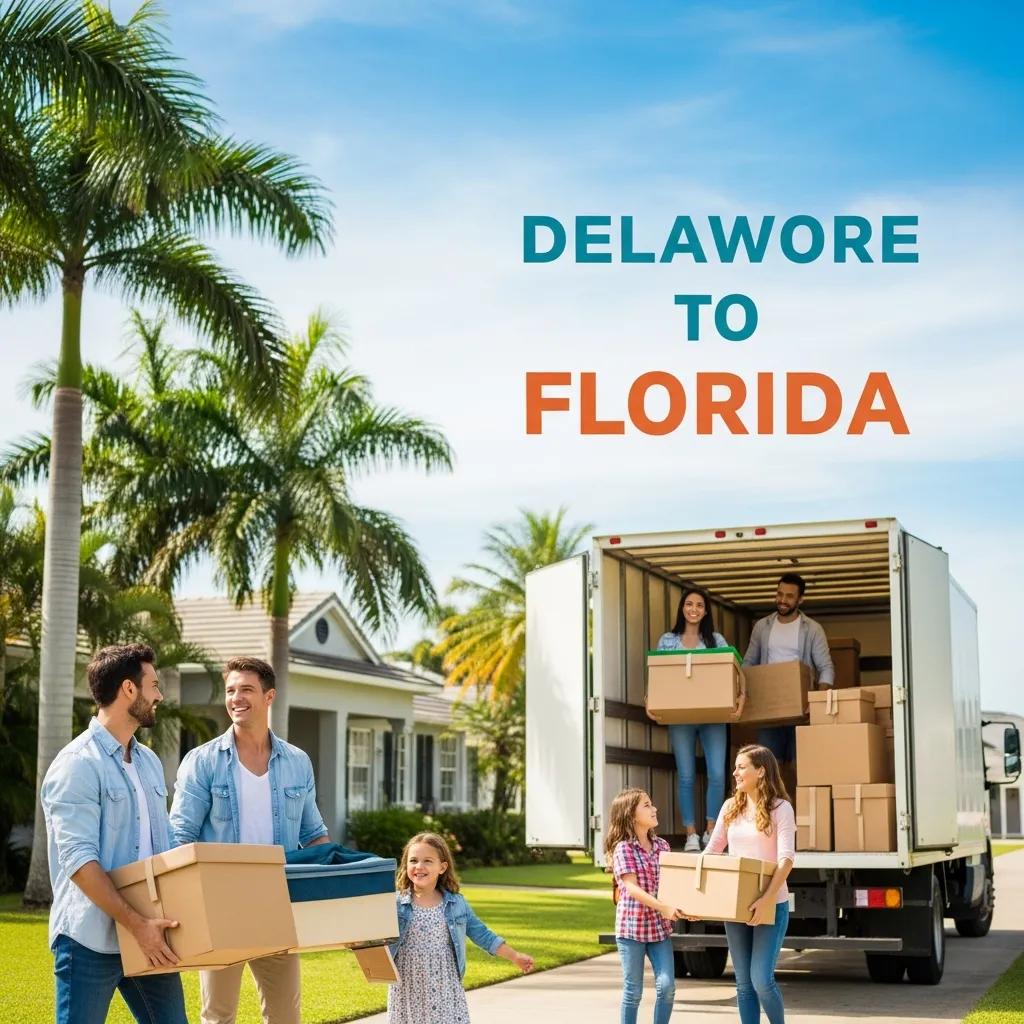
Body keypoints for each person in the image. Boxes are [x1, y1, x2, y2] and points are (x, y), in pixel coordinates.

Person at [170, 655, 330, 1024]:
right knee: (218, 1015)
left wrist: (339, 889)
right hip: (220, 906)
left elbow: (314, 835)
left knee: (285, 1015)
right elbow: (180, 837)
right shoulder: (203, 761)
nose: (236, 698)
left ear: (269, 696)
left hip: (279, 904)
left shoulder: (297, 762)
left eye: (246, 689)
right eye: (230, 690)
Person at [41, 643, 187, 1024]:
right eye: (153, 685)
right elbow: (79, 862)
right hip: (89, 940)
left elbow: (163, 847)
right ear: (128, 689)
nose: (159, 695)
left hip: (150, 935)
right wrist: (136, 925)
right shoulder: (77, 765)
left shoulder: (149, 762)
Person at [387, 831, 534, 1023]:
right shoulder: (396, 904)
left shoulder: (456, 905)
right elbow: (373, 935)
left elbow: (483, 935)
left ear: (442, 867)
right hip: (406, 988)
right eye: (413, 860)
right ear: (406, 865)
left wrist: (514, 956)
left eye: (428, 861)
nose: (419, 866)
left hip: (445, 988)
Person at [703, 745, 795, 1024]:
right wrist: (695, 895)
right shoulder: (731, 807)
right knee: (743, 984)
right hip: (737, 906)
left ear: (761, 771)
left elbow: (786, 859)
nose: (735, 773)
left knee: (760, 980)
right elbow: (712, 851)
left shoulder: (781, 808)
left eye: (741, 767)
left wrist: (765, 900)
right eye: (736, 767)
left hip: (771, 905)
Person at [656, 587, 745, 851]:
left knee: (717, 774)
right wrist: (651, 700)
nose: (693, 610)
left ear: (706, 611)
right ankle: (691, 834)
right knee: (686, 776)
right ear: (682, 608)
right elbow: (658, 676)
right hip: (680, 717)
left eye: (699, 606)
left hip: (712, 716)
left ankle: (710, 831)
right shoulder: (668, 641)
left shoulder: (716, 640)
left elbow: (734, 670)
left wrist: (741, 698)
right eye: (689, 604)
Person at [605, 787, 683, 1024]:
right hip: (631, 930)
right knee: (633, 992)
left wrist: (684, 908)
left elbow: (673, 886)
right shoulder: (624, 848)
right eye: (647, 805)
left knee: (667, 986)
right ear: (631, 815)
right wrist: (663, 908)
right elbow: (631, 887)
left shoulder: (662, 846)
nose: (654, 809)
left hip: (659, 930)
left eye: (652, 804)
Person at [742, 573, 835, 764]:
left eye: (789, 596)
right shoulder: (762, 626)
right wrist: (743, 695)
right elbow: (748, 663)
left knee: (800, 766)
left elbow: (826, 668)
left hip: (800, 711)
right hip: (768, 710)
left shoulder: (812, 629)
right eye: (779, 594)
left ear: (800, 599)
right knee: (766, 769)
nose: (783, 600)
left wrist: (817, 702)